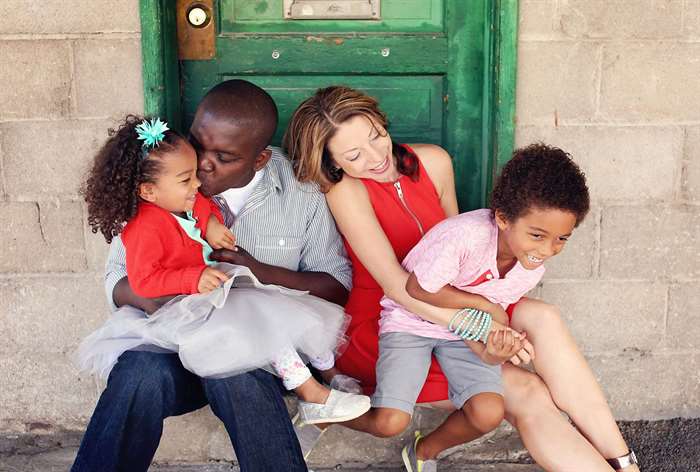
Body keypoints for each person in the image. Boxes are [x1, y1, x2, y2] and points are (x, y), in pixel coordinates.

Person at [284, 85, 640, 471]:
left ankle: (622, 459)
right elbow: (397, 286)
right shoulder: (346, 190)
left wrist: (487, 312)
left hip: (452, 298)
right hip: (392, 322)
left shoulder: (433, 161)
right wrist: (481, 327)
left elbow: (460, 250)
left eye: (377, 137)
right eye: (354, 155)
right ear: (332, 162)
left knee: (544, 317)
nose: (377, 157)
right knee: (528, 391)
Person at [71, 80, 355, 472]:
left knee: (237, 370)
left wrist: (256, 269)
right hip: (170, 342)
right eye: (198, 143)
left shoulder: (300, 193)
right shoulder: (157, 187)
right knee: (139, 372)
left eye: (223, 156)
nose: (202, 164)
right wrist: (153, 295)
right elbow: (118, 280)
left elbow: (336, 287)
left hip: (257, 354)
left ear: (259, 160)